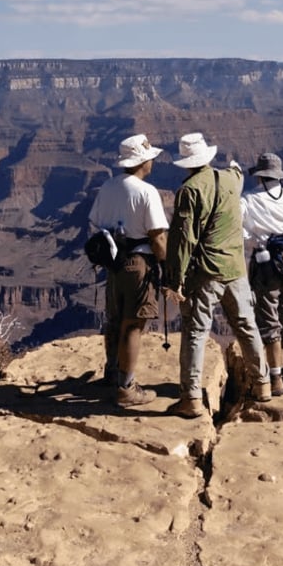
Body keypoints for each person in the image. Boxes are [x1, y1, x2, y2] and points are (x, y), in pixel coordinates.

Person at [164, 132, 271, 418]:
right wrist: (235, 164)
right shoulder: (231, 180)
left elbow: (183, 239)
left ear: (186, 162)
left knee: (196, 332)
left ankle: (191, 399)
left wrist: (174, 280)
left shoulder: (189, 190)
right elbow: (237, 171)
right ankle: (263, 384)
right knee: (247, 326)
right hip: (236, 269)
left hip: (206, 274)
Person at [87, 133, 168, 408]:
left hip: (114, 264)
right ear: (143, 161)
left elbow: (95, 224)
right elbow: (157, 237)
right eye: (150, 159)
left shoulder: (108, 187)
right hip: (138, 264)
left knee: (115, 319)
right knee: (133, 324)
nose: (153, 163)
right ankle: (126, 387)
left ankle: (111, 373)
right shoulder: (146, 192)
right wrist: (167, 267)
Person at [241, 152, 283, 395]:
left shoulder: (248, 199)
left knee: (269, 319)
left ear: (259, 175)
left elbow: (244, 232)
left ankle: (276, 379)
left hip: (266, 264)